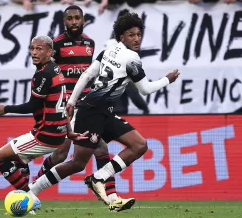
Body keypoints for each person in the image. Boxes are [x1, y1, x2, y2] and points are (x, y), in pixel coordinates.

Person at [26, 12, 180, 212]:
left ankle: (100, 179)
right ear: (121, 36)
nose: (136, 39)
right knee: (76, 163)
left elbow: (88, 73)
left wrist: (72, 101)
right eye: (131, 35)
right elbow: (145, 89)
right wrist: (168, 79)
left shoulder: (110, 50)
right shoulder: (132, 58)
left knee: (139, 145)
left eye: (139, 34)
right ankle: (31, 191)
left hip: (102, 112)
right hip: (91, 113)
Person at [30, 5, 133, 209]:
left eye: (78, 18)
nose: (74, 22)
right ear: (64, 22)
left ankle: (112, 197)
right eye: (70, 18)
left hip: (87, 105)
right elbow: (48, 73)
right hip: (65, 106)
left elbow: (90, 73)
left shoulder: (89, 43)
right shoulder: (57, 45)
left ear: (83, 20)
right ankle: (31, 192)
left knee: (101, 146)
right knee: (61, 154)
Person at [0, 35, 87, 213]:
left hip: (44, 135)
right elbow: (63, 105)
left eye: (39, 49)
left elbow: (32, 105)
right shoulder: (56, 70)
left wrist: (5, 109)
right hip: (57, 133)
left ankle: (29, 198)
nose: (34, 53)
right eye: (32, 48)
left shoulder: (44, 74)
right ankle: (26, 203)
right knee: (19, 160)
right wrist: (69, 132)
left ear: (50, 52)